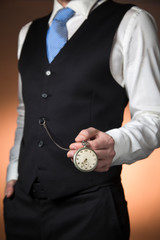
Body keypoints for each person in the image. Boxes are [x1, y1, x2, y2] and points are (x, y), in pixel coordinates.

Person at [4, 0, 160, 239]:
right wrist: (13, 172)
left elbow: (154, 115)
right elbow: (27, 110)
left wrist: (116, 144)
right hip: (22, 207)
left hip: (91, 209)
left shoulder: (133, 21)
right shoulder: (27, 32)